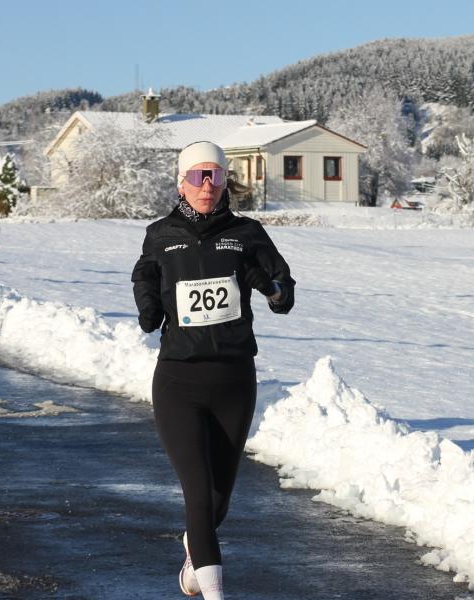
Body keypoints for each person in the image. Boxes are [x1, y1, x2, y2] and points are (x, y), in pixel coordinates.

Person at [132, 141, 294, 599]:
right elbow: (144, 272)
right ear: (181, 181)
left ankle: (194, 547)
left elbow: (283, 285)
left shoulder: (247, 234)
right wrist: (147, 305)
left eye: (216, 176)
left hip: (234, 380)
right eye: (198, 176)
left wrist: (276, 290)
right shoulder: (160, 233)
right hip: (178, 380)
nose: (208, 186)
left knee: (217, 501)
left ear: (226, 182)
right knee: (198, 495)